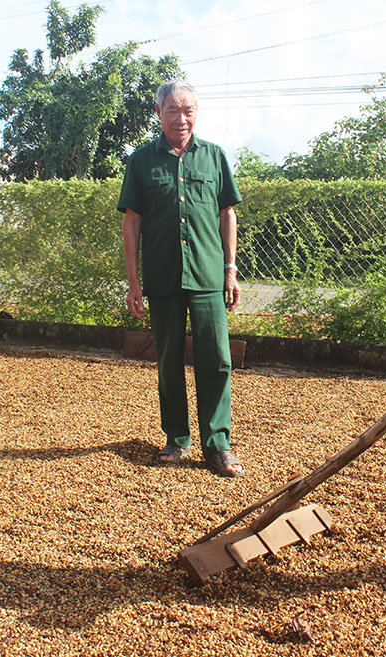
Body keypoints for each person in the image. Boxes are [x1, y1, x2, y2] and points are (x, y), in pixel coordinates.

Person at [118, 79, 245, 478]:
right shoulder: (141, 162)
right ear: (158, 113)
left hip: (208, 275)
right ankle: (176, 438)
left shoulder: (214, 156)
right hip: (163, 277)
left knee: (217, 360)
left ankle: (217, 445)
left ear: (196, 113)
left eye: (188, 110)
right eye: (173, 110)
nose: (181, 118)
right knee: (169, 362)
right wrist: (134, 283)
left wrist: (230, 269)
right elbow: (132, 222)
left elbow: (228, 214)